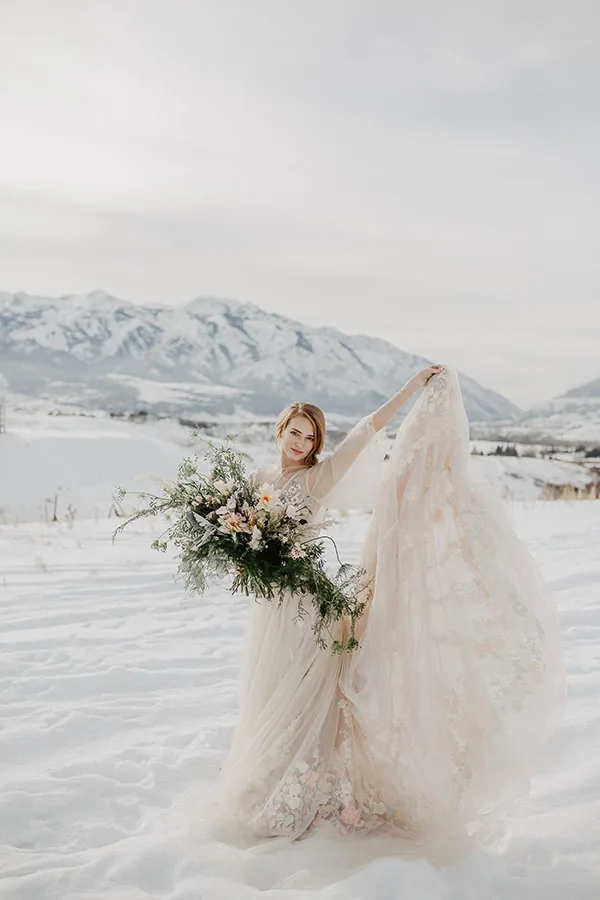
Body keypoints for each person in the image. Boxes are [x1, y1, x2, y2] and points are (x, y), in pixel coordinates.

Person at [208, 364, 564, 854]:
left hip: (306, 606)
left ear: (316, 445)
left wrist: (410, 388)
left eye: (309, 438)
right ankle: (269, 776)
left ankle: (303, 789)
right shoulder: (258, 478)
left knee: (304, 696)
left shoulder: (320, 477)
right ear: (280, 431)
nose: (299, 443)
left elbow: (367, 430)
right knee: (268, 692)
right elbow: (242, 533)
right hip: (271, 607)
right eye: (294, 432)